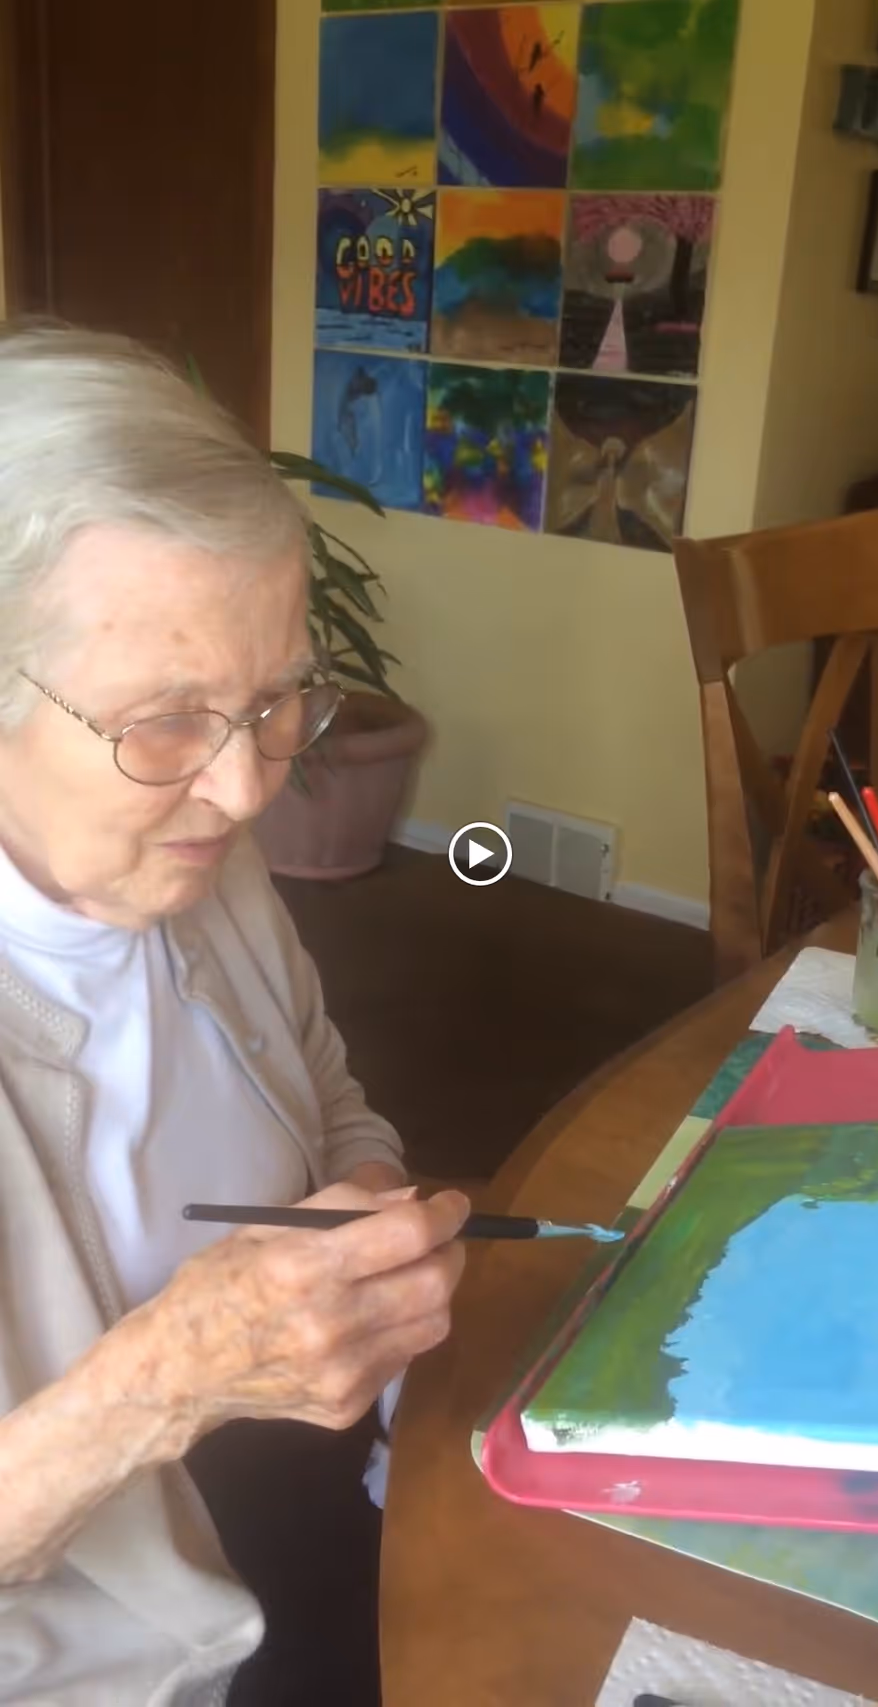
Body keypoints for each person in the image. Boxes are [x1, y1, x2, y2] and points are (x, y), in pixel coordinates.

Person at [0, 325, 469, 1706]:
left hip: (302, 1512)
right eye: (162, 723)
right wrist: (158, 1385)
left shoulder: (199, 864)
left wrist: (366, 1190)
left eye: (275, 702)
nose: (247, 788)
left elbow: (327, 1091)